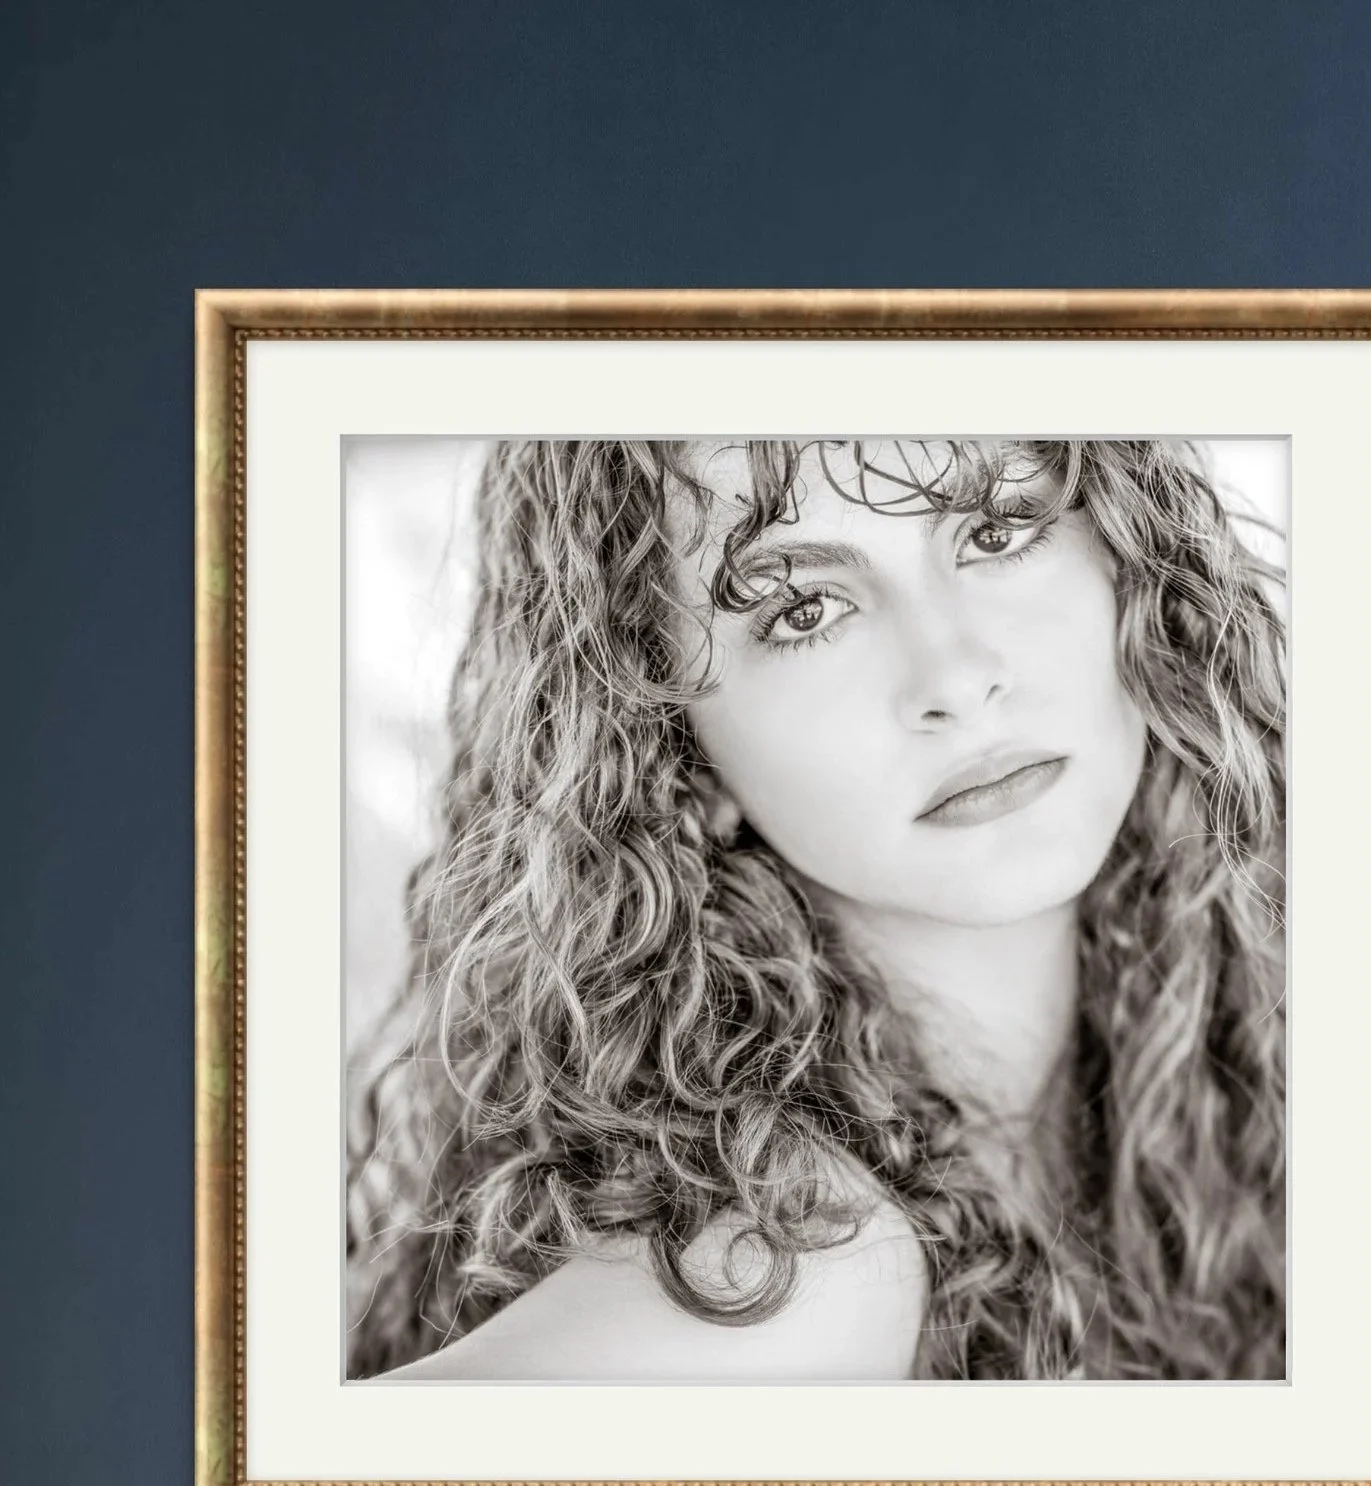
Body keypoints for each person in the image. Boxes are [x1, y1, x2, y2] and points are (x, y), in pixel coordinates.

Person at [346, 438, 1288, 1383]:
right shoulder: (793, 1269)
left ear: (1137, 562)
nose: (958, 677)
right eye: (804, 610)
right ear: (676, 751)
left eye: (997, 532)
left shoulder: (1257, 1057)